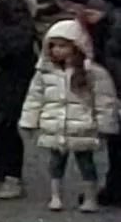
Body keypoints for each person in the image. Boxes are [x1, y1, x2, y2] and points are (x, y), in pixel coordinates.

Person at [16, 20, 116, 210]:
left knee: (86, 163)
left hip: (82, 127)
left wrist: (105, 126)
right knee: (55, 164)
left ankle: (89, 197)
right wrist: (29, 120)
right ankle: (55, 195)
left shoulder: (93, 73)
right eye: (53, 46)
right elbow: (34, 98)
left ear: (77, 46)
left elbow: (104, 101)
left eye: (62, 46)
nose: (56, 50)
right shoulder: (45, 72)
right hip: (54, 125)